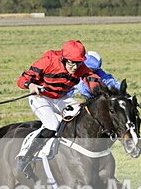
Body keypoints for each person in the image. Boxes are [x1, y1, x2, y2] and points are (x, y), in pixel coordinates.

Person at [15, 40, 101, 179]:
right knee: (53, 125)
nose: (75, 67)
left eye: (78, 63)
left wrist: (99, 90)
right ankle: (25, 157)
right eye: (71, 63)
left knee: (81, 115)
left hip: (61, 97)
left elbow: (92, 78)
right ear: (64, 59)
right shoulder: (49, 60)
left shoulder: (80, 66)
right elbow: (22, 79)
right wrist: (30, 85)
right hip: (40, 97)